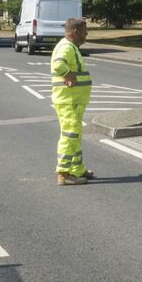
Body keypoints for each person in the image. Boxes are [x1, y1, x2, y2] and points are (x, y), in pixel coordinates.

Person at [50, 17, 94, 185]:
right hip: (68, 100)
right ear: (75, 32)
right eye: (85, 31)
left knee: (75, 135)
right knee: (69, 135)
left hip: (73, 100)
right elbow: (58, 66)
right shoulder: (66, 47)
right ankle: (64, 173)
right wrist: (69, 75)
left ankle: (77, 169)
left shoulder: (70, 46)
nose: (87, 34)